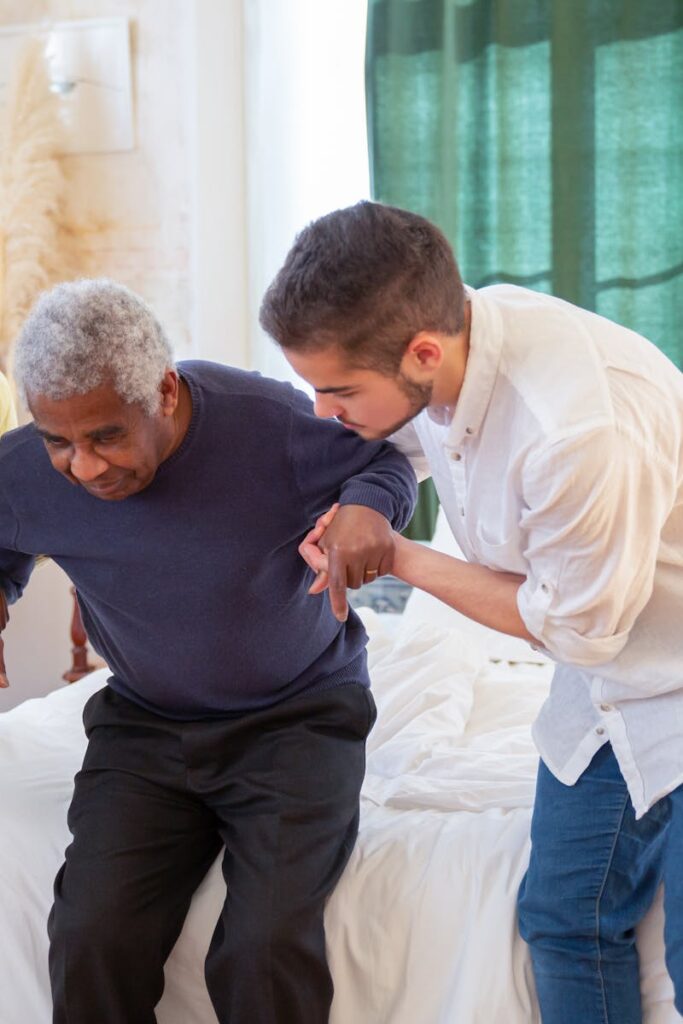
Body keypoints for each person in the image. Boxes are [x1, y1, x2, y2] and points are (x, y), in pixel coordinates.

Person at [259, 200, 683, 1024]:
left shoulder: (572, 430)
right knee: (560, 921)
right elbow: (396, 447)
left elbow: (571, 627)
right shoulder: (453, 353)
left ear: (422, 351)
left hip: (642, 659)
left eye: (337, 389)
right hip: (606, 692)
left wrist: (400, 554)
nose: (321, 410)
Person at [1, 277, 416, 1024]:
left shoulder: (267, 423)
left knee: (262, 948)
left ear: (162, 392)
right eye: (58, 440)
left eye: (105, 437)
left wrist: (364, 509)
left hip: (296, 719)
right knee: (91, 933)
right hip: (146, 725)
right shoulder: (25, 468)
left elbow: (382, 464)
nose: (83, 467)